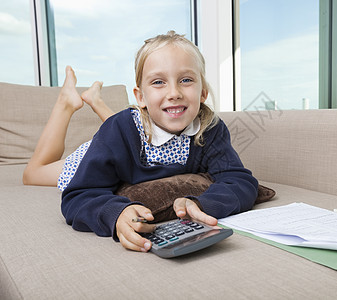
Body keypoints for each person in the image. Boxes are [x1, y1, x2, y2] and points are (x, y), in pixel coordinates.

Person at [59, 31, 259, 253]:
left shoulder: (210, 128)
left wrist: (203, 203)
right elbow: (78, 195)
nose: (174, 93)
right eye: (158, 82)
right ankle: (65, 103)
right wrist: (115, 213)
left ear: (203, 92)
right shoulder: (117, 129)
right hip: (83, 158)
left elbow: (239, 180)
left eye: (186, 80)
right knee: (36, 173)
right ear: (141, 97)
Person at [22, 65, 114, 188]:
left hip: (115, 155)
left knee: (33, 173)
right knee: (32, 174)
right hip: (112, 156)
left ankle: (87, 102)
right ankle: (75, 103)